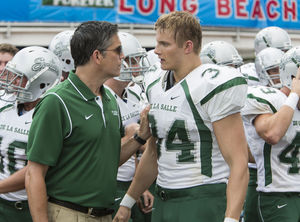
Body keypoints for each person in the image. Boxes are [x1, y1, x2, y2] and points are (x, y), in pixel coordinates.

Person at [113, 11, 249, 222]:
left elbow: (239, 162)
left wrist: (231, 218)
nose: (156, 51)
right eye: (157, 43)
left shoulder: (211, 84)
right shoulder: (155, 84)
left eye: (164, 44)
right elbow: (153, 153)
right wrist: (127, 202)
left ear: (187, 46)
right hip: (164, 199)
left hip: (202, 197)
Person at [25, 21, 151, 222]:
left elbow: (108, 160)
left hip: (105, 214)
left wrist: (140, 137)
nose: (123, 57)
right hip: (67, 213)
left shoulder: (109, 99)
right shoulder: (56, 101)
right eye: (117, 50)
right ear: (97, 56)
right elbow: (34, 173)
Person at [0, 46, 62, 222]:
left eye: (17, 76)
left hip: (31, 207)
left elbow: (36, 170)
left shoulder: (52, 112)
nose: (9, 80)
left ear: (41, 83)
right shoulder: (5, 103)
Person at [241, 46, 300, 222]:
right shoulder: (269, 98)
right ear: (293, 78)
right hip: (278, 194)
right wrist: (295, 94)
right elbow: (272, 134)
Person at [105, 31, 154, 222]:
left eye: (137, 61)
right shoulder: (102, 97)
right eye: (132, 61)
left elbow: (135, 151)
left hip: (129, 181)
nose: (137, 67)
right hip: (110, 181)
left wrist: (139, 185)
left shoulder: (132, 94)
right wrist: (133, 137)